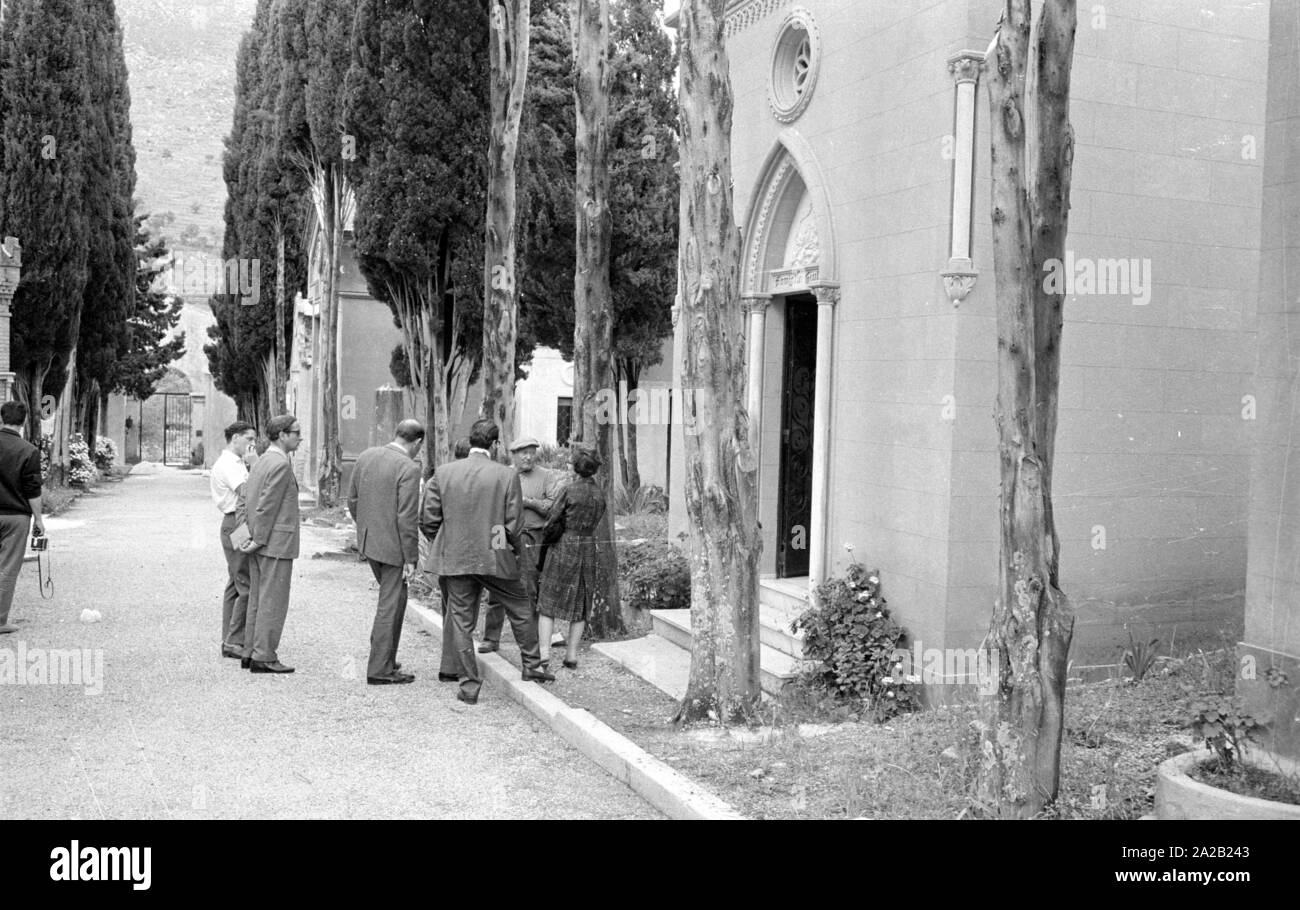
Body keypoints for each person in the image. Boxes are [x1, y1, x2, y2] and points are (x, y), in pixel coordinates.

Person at [420, 418, 553, 704]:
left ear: (471, 440)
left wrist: (451, 541)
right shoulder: (506, 476)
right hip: (495, 556)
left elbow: (428, 520)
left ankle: (469, 686)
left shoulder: (443, 473)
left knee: (460, 620)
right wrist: (499, 548)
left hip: (456, 557)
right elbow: (512, 525)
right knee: (519, 606)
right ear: (493, 444)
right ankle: (531, 666)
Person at [346, 419, 424, 686]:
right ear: (417, 443)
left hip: (370, 542)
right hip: (393, 548)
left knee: (393, 600)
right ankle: (380, 668)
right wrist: (411, 557)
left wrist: (367, 529)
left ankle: (384, 658)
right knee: (391, 604)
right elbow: (407, 517)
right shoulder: (409, 468)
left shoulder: (367, 455)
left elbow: (352, 500)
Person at [478, 437, 561, 654]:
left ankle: (532, 638)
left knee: (529, 586)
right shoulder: (502, 474)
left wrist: (526, 501)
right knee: (496, 583)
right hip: (501, 534)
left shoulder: (546, 476)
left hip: (531, 536)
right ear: (513, 455)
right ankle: (491, 638)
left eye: (532, 452)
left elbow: (552, 506)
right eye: (523, 452)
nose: (528, 456)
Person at [238, 414, 302, 674]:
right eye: (296, 432)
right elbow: (266, 506)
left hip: (259, 541)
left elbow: (247, 499)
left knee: (257, 598)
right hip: (274, 543)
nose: (300, 437)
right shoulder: (280, 464)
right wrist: (259, 539)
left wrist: (247, 538)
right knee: (272, 601)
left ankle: (250, 651)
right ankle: (264, 655)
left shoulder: (263, 460)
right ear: (282, 435)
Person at [537, 449, 607, 670]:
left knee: (548, 599)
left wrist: (546, 537)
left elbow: (552, 519)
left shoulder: (568, 489)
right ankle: (572, 655)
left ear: (576, 468)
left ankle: (544, 652)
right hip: (587, 547)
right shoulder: (599, 494)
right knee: (582, 600)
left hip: (564, 545)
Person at [210, 420, 256, 659]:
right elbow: (248, 492)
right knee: (246, 584)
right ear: (235, 438)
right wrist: (255, 465)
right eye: (249, 439)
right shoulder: (230, 464)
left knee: (235, 582)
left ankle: (229, 637)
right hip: (235, 524)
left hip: (236, 524)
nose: (252, 444)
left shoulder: (236, 463)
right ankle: (234, 641)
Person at [0, 401, 43, 635]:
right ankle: (0, 621)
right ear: (24, 421)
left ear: (1, 418)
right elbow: (33, 489)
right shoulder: (29, 450)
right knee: (6, 569)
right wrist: (38, 519)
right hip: (16, 517)